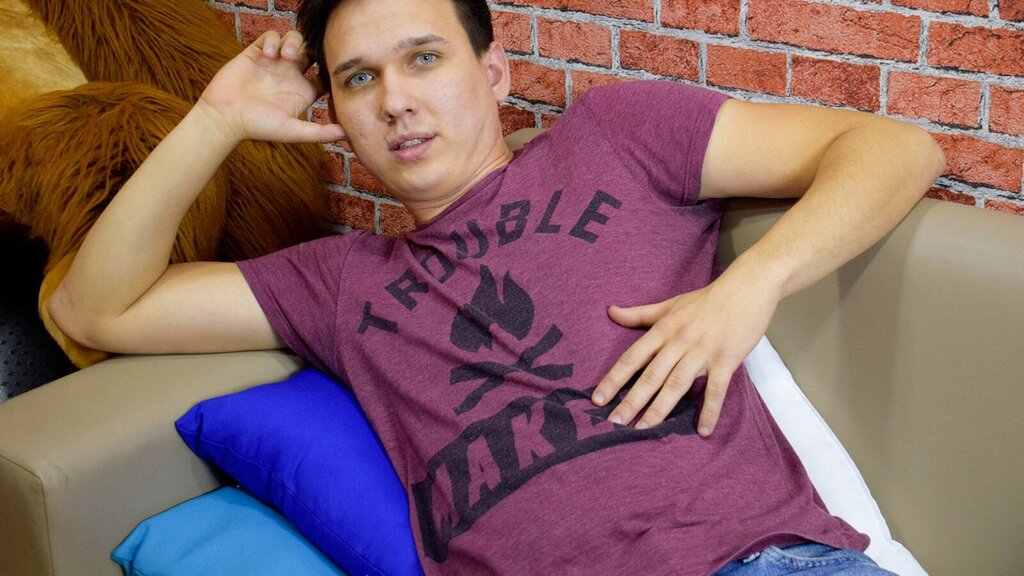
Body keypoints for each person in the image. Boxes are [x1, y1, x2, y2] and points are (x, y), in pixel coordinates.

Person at [48, 0, 945, 573]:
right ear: (338, 116)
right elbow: (93, 309)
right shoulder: (340, 283)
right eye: (359, 79)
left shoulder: (615, 138)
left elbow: (896, 149)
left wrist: (749, 286)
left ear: (495, 73)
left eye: (424, 59)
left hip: (755, 564)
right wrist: (216, 120)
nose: (395, 101)